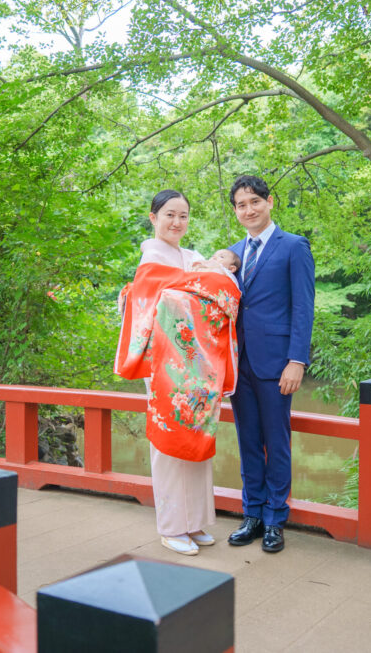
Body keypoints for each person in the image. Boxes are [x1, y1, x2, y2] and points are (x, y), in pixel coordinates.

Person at [114, 189, 241, 556]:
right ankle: (172, 528)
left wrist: (198, 289)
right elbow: (157, 303)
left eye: (183, 216)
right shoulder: (151, 259)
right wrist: (198, 289)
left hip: (199, 366)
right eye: (170, 214)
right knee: (170, 443)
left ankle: (195, 522)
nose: (177, 222)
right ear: (153, 217)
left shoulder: (193, 257)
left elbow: (228, 292)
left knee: (198, 436)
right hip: (166, 366)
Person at [226, 175, 314, 553]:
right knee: (247, 440)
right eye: (241, 205)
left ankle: (276, 518)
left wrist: (297, 360)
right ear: (235, 211)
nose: (249, 210)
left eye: (255, 202)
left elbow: (303, 307)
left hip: (277, 362)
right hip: (238, 362)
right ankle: (252, 514)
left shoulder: (293, 246)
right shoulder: (232, 254)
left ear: (270, 202)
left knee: (276, 441)